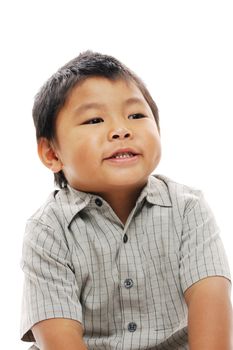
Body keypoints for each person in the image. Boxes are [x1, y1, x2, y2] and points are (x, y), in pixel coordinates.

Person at [20, 51, 232, 350]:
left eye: (136, 115)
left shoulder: (188, 209)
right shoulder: (49, 230)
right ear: (52, 154)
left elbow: (211, 308)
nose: (122, 130)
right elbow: (59, 338)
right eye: (95, 119)